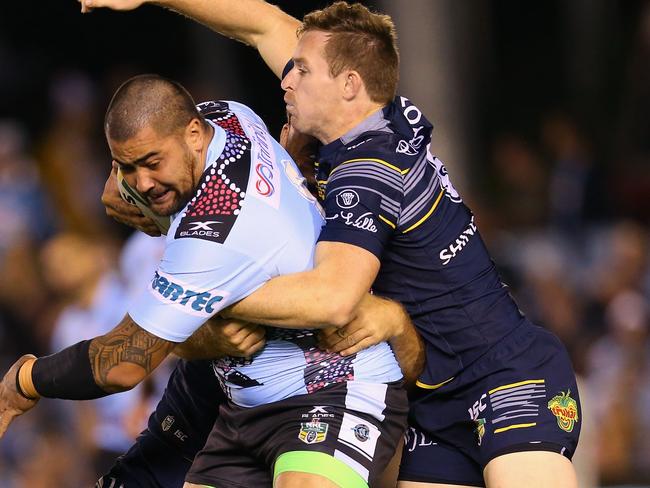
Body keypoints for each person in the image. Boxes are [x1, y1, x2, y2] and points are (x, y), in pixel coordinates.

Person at [83, 1, 583, 487]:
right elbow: (263, 23)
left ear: (348, 85)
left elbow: (332, 298)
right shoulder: (367, 119)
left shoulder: (368, 170)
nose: (286, 79)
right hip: (432, 394)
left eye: (301, 70)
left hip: (503, 372)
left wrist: (198, 295)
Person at [0, 74, 422, 488]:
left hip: (332, 391)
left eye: (152, 163)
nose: (142, 183)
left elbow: (120, 364)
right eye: (127, 167)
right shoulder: (231, 116)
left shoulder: (211, 234)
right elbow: (131, 174)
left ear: (194, 135)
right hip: (244, 406)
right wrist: (123, 185)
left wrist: (26, 381)